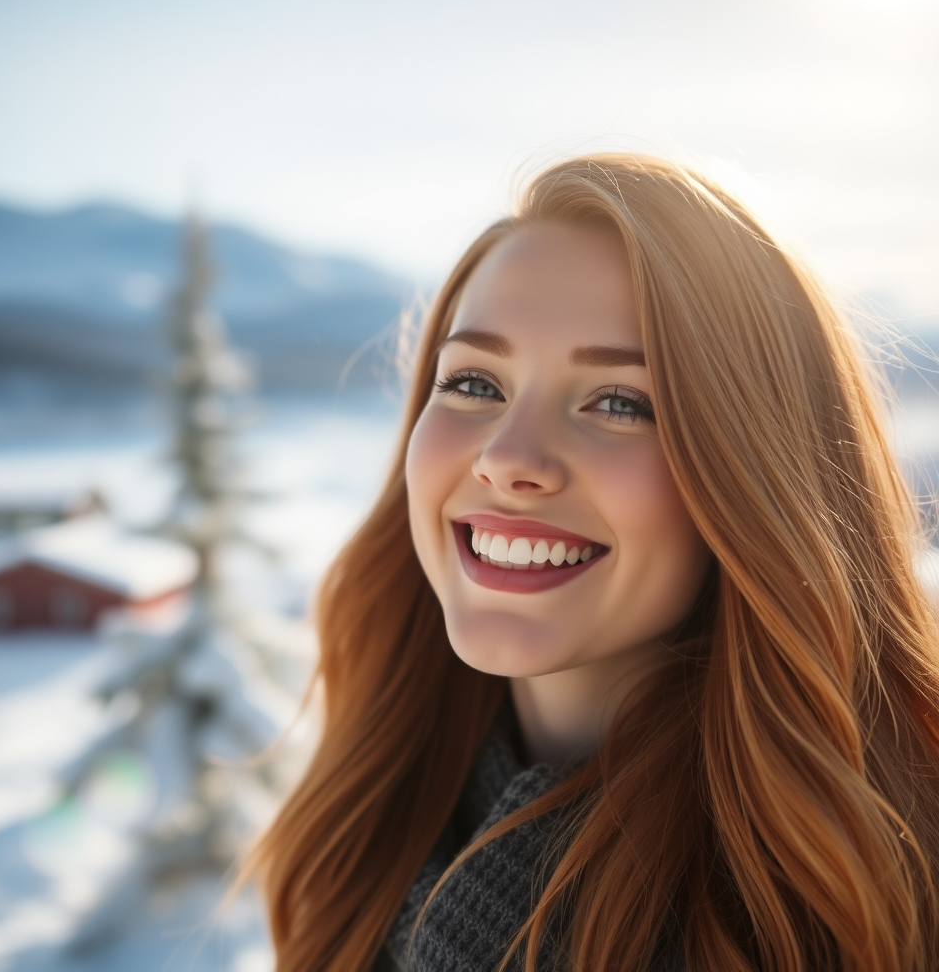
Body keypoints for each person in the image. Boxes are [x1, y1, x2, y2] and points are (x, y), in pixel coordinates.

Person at [242, 154, 939, 971]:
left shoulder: (862, 903)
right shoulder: (375, 830)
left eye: (619, 402)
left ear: (758, 476)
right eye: (473, 382)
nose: (508, 458)